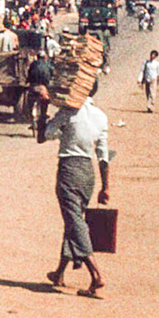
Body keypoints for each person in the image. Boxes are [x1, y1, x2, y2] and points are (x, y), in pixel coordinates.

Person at [42, 88, 112, 297]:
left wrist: (44, 109)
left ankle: (96, 275)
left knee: (75, 221)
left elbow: (46, 135)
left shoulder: (67, 112)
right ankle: (59, 273)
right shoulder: (100, 116)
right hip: (88, 173)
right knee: (73, 219)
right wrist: (105, 187)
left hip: (69, 169)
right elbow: (103, 156)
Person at [26, 49, 54, 140]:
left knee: (29, 102)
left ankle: (31, 117)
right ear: (44, 57)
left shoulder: (33, 64)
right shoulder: (48, 64)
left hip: (33, 87)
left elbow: (29, 75)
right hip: (43, 88)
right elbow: (52, 74)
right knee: (44, 106)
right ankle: (43, 116)